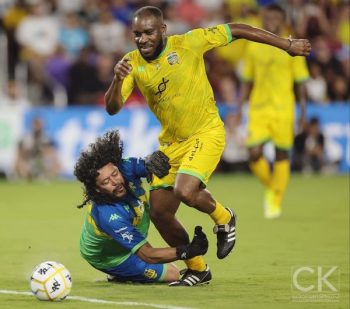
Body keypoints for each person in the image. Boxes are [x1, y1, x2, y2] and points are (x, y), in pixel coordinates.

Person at [104, 6, 311, 285]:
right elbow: (113, 108)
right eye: (137, 34)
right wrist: (117, 80)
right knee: (161, 213)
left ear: (163, 30)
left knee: (185, 190)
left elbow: (237, 29)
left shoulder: (189, 43)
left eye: (149, 32)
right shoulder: (131, 64)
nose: (142, 39)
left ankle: (225, 217)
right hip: (171, 144)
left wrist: (286, 44)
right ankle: (198, 269)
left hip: (206, 131)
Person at [74, 130, 209, 284]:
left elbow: (154, 166)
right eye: (106, 182)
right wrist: (189, 250)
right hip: (111, 257)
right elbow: (148, 254)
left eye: (115, 174)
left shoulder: (126, 167)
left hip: (130, 237)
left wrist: (153, 160)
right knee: (173, 274)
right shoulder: (109, 215)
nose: (115, 181)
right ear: (98, 189)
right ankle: (121, 273)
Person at [239, 4, 310, 219]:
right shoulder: (253, 46)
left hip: (284, 108)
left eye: (275, 18)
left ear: (282, 20)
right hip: (258, 108)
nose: (270, 21)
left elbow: (300, 83)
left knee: (281, 154)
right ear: (262, 18)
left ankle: (275, 201)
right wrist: (237, 107)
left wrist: (303, 113)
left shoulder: (293, 46)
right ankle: (272, 188)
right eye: (267, 17)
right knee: (253, 153)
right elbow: (247, 81)